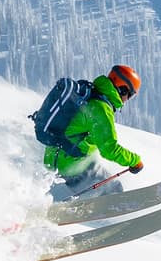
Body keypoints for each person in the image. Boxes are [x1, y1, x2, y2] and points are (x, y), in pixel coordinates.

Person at [43, 65, 146, 195]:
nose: (127, 100)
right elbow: (109, 149)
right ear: (122, 89)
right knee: (114, 188)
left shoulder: (89, 95)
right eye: (130, 95)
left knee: (99, 172)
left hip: (53, 158)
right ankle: (96, 207)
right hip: (70, 165)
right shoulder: (101, 108)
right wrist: (135, 161)